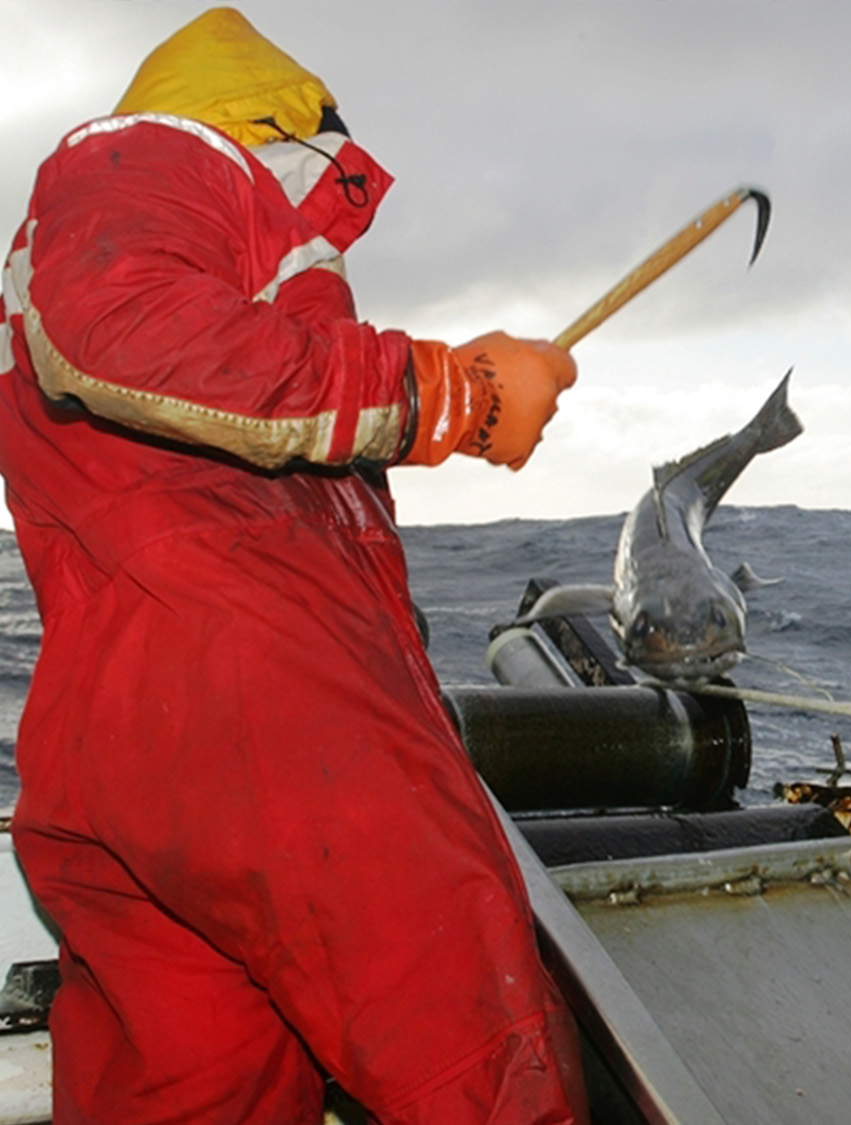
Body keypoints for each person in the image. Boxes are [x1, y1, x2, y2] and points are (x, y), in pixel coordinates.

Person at [0, 8, 588, 1123]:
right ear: (287, 128)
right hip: (273, 723)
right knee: (478, 1067)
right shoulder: (167, 156)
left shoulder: (138, 230)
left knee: (181, 1092)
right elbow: (119, 328)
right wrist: (441, 392)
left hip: (125, 747)